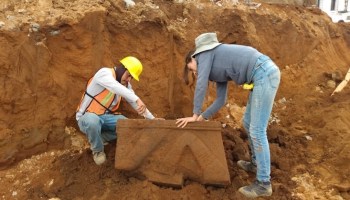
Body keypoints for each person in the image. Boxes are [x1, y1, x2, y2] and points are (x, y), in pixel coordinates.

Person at [176, 33, 280, 198]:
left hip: (264, 73)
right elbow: (221, 100)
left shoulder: (204, 55)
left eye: (191, 69)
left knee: (257, 130)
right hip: (261, 74)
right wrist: (202, 117)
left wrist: (195, 114)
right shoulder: (218, 66)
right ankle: (255, 164)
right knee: (247, 123)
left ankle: (263, 184)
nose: (194, 73)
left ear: (193, 58)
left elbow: (201, 84)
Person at [76, 56, 160, 165]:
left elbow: (134, 102)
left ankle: (99, 138)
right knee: (92, 121)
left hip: (104, 118)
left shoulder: (125, 85)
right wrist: (137, 99)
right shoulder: (104, 73)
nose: (129, 79)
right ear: (123, 69)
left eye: (131, 78)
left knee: (128, 126)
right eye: (129, 75)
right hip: (86, 117)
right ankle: (98, 151)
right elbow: (114, 87)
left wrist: (152, 119)